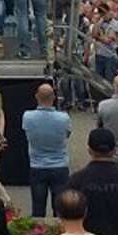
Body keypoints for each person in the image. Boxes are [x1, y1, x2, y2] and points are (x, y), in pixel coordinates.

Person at [23, 83, 72, 217]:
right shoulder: (64, 118)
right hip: (60, 165)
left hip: (37, 165)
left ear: (36, 97)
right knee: (61, 209)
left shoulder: (27, 116)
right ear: (54, 97)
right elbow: (67, 135)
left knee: (38, 208)